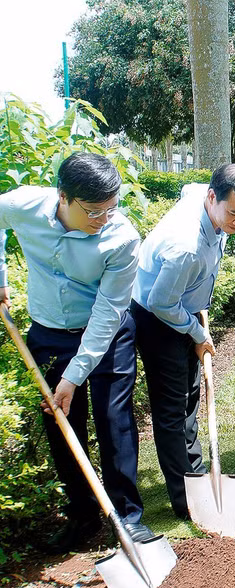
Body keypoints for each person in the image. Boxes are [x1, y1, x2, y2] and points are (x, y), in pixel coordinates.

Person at [0, 152, 153, 550]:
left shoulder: (122, 238)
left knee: (112, 417)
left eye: (111, 208)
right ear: (62, 197)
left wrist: (75, 374)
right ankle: (83, 517)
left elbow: (108, 312)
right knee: (62, 424)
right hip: (49, 333)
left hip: (107, 334)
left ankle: (127, 518)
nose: (104, 218)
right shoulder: (22, 206)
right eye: (93, 211)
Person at [131, 163, 235, 518]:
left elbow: (189, 186)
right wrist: (199, 333)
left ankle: (197, 473)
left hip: (182, 307)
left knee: (190, 396)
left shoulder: (203, 196)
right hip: (158, 319)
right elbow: (161, 303)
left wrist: (196, 323)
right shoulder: (186, 246)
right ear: (212, 197)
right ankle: (185, 497)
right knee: (172, 410)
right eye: (233, 213)